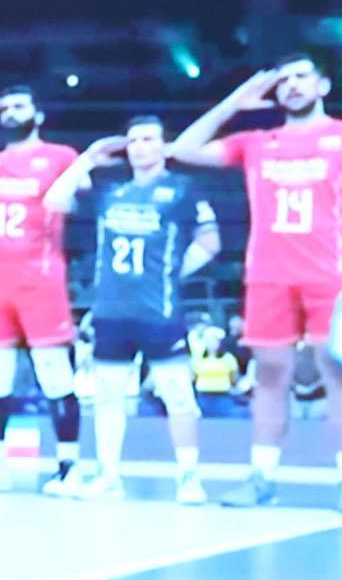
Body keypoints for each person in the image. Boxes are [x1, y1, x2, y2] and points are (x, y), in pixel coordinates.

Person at [170, 52, 342, 512]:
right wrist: (234, 103)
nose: (292, 85)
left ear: (323, 86)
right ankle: (262, 478)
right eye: (283, 80)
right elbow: (183, 150)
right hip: (268, 275)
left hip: (330, 274)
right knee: (269, 375)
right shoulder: (256, 142)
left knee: (340, 374)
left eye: (302, 77)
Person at [45, 115, 221, 500]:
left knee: (178, 395)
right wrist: (88, 158)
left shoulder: (184, 189)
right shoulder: (111, 191)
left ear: (164, 146)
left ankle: (189, 477)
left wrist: (173, 272)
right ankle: (109, 476)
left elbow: (211, 243)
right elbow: (54, 200)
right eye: (134, 140)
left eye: (148, 139)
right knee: (108, 397)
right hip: (111, 312)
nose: (140, 147)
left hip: (159, 312)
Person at [0, 87, 84, 493]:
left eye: (21, 106)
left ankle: (70, 467)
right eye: (6, 108)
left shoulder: (61, 156)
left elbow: (80, 196)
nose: (11, 113)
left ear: (39, 115)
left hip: (41, 278)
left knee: (55, 376)